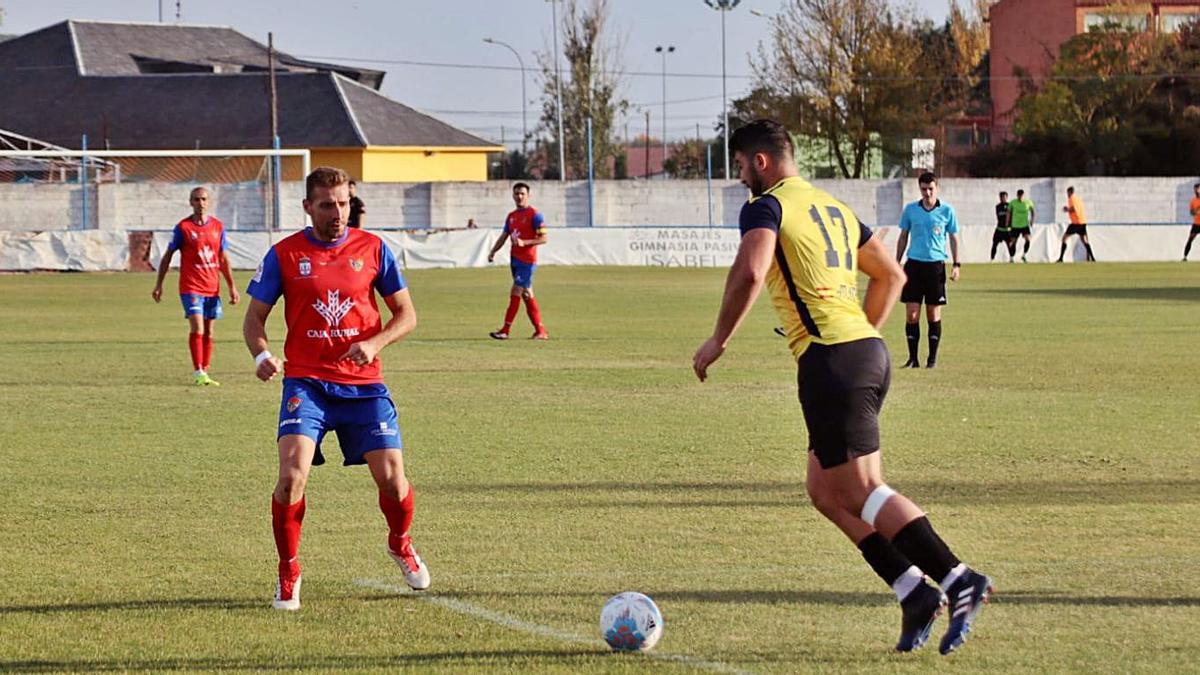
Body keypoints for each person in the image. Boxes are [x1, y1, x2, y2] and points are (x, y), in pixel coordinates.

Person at [692, 119, 992, 655]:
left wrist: (718, 340)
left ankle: (956, 577)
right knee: (827, 491)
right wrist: (859, 340)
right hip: (862, 351)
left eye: (739, 165)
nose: (739, 177)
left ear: (759, 161)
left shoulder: (767, 207)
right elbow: (891, 277)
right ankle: (912, 591)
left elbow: (750, 272)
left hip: (833, 359)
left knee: (859, 491)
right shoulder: (831, 207)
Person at [243, 166, 430, 611]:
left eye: (344, 203)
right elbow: (254, 319)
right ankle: (289, 571)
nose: (338, 213)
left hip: (364, 387)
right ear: (307, 206)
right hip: (306, 384)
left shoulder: (375, 249)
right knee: (291, 478)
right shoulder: (283, 255)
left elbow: (406, 315)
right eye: (327, 205)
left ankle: (400, 543)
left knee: (393, 481)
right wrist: (262, 355)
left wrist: (375, 341)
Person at [151, 186, 240, 386]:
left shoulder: (217, 227)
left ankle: (205, 370)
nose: (200, 203)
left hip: (212, 287)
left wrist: (231, 287)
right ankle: (198, 371)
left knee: (209, 332)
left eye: (204, 199)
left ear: (209, 202)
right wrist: (159, 284)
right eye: (196, 199)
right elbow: (168, 256)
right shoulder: (183, 228)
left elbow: (223, 259)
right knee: (198, 327)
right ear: (190, 202)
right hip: (191, 287)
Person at [895, 172, 961, 369]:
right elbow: (903, 237)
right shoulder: (910, 210)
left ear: (936, 188)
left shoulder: (947, 211)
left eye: (931, 188)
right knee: (912, 314)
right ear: (919, 188)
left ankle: (931, 359)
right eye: (924, 189)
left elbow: (954, 238)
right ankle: (912, 359)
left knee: (933, 314)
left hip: (935, 266)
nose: (927, 192)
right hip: (913, 266)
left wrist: (957, 265)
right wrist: (895, 263)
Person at [486, 182, 549, 340]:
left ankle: (505, 330)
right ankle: (540, 331)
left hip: (527, 262)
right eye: (516, 194)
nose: (519, 196)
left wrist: (524, 243)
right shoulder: (512, 216)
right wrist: (493, 251)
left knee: (516, 292)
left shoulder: (535, 215)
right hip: (515, 260)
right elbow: (504, 236)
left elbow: (544, 238)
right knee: (527, 295)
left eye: (522, 193)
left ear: (528, 195)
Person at [1057, 186, 1095, 262]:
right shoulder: (1078, 199)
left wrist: (1067, 209)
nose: (1067, 195)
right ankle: (1093, 258)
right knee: (1084, 240)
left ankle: (1061, 258)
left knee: (1064, 238)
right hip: (1082, 221)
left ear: (1070, 192)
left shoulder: (1071, 199)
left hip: (1076, 223)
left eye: (1067, 193)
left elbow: (1074, 209)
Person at [1007, 189, 1034, 262]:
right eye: (1019, 196)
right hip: (1015, 225)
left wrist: (1032, 220)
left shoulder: (1028, 202)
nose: (1020, 197)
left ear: (1023, 195)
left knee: (1028, 240)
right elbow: (1009, 213)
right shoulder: (1013, 202)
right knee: (1013, 242)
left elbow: (1032, 211)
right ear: (1017, 195)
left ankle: (1024, 255)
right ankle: (1011, 257)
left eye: (1021, 196)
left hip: (1025, 225)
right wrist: (1007, 222)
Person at [990, 191, 1015, 262]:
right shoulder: (998, 207)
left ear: (1007, 197)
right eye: (1001, 197)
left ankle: (1011, 258)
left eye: (1004, 197)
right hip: (999, 229)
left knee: (1010, 244)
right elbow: (1000, 217)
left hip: (1007, 230)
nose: (1003, 198)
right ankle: (992, 259)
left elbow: (1011, 216)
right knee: (994, 244)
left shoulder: (1010, 205)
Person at [1183, 183, 1200, 261]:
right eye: (1196, 189)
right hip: (1196, 224)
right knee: (1190, 239)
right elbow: (1191, 212)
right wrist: (1196, 212)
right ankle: (1185, 256)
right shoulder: (1193, 201)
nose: (1198, 190)